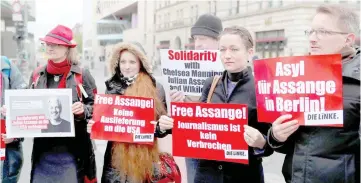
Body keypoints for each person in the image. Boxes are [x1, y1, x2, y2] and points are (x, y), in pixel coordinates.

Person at [267, 4, 360, 183]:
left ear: (348, 39)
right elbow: (287, 145)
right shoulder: (295, 76)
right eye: (310, 32)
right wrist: (276, 136)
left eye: (322, 32)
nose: (312, 39)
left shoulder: (357, 80)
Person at [189, 26, 273, 183]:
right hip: (208, 175)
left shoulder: (261, 87)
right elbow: (197, 126)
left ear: (249, 52)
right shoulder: (211, 84)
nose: (227, 55)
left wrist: (261, 142)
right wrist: (174, 123)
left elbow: (272, 141)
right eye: (222, 50)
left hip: (243, 176)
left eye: (234, 49)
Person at [87, 41, 175, 183]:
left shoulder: (155, 87)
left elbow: (160, 128)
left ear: (141, 63)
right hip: (115, 161)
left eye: (132, 62)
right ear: (118, 63)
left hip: (145, 159)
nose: (127, 67)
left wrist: (162, 126)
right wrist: (95, 126)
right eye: (123, 62)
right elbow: (107, 124)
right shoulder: (111, 86)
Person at [29, 25, 98, 183]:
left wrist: (83, 111)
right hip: (43, 152)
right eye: (48, 43)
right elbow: (28, 105)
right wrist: (12, 112)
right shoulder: (36, 75)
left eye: (56, 44)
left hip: (74, 152)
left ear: (67, 48)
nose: (50, 47)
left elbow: (97, 107)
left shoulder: (82, 74)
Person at [168, 13, 223, 183]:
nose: (198, 44)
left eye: (203, 38)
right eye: (196, 39)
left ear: (218, 39)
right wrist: (179, 100)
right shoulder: (186, 65)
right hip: (192, 139)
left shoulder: (228, 63)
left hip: (218, 140)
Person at [0, 56, 27, 182]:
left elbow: (23, 98)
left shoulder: (6, 66)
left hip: (7, 140)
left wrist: (15, 133)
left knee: (9, 175)